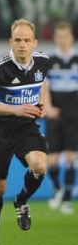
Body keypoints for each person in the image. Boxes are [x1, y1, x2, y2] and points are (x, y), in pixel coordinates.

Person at [0, 18, 51, 245]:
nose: (22, 44)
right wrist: (16, 109)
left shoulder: (43, 62)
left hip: (26, 126)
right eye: (18, 40)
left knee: (40, 165)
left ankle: (21, 201)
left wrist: (44, 102)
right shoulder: (0, 67)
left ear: (34, 42)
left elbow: (45, 84)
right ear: (11, 42)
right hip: (0, 129)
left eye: (27, 40)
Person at [45, 21, 78, 215]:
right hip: (55, 112)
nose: (63, 40)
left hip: (73, 112)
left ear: (71, 37)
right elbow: (45, 87)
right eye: (59, 37)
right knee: (52, 161)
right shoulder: (49, 60)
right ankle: (57, 187)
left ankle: (66, 198)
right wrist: (48, 107)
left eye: (66, 36)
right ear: (55, 38)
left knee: (72, 157)